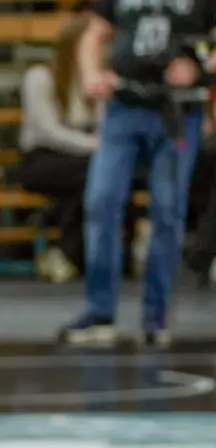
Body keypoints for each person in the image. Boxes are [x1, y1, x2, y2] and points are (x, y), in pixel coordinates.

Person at [58, 0, 216, 347]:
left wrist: (200, 68)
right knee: (101, 200)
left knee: (167, 211)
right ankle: (100, 313)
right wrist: (90, 74)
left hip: (176, 112)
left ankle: (155, 317)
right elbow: (93, 34)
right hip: (124, 106)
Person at [21, 14, 103, 283]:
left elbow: (104, 123)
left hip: (85, 158)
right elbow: (48, 131)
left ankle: (66, 254)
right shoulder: (40, 77)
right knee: (95, 173)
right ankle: (70, 253)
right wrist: (92, 145)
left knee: (97, 176)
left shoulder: (97, 80)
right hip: (43, 157)